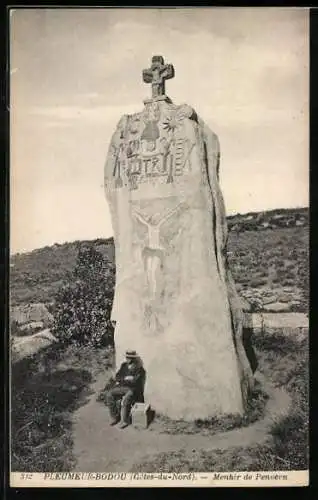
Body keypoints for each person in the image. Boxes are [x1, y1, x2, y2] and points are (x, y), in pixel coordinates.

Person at [106, 350, 146, 429]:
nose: (127, 359)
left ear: (133, 359)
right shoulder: (123, 365)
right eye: (127, 357)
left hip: (132, 389)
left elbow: (135, 382)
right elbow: (117, 377)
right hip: (122, 387)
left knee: (126, 399)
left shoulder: (139, 369)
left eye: (129, 358)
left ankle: (124, 421)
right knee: (109, 395)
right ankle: (115, 417)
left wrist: (126, 380)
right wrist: (125, 379)